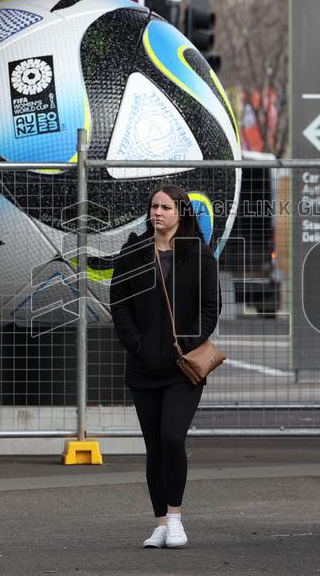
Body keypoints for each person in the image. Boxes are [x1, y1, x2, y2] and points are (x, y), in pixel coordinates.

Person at [109, 184, 221, 549]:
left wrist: (185, 344)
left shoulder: (199, 255)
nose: (157, 213)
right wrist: (137, 345)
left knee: (173, 437)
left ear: (181, 213)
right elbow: (119, 303)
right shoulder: (133, 252)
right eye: (154, 207)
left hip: (182, 368)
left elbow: (210, 309)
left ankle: (175, 517)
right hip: (143, 366)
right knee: (154, 446)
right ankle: (159, 523)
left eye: (165, 207)